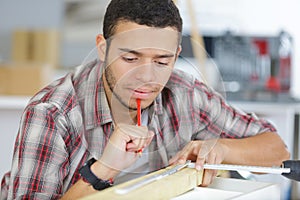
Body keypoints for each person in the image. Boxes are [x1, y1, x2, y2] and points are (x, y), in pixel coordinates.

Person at [1, 0, 290, 199]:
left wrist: (219, 148)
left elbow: (277, 149)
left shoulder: (186, 94)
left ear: (176, 55)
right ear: (102, 48)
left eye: (162, 61)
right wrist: (105, 168)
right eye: (130, 58)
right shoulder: (53, 113)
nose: (146, 77)